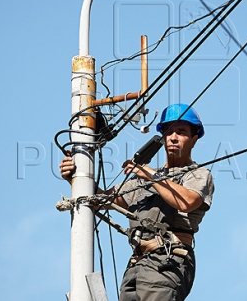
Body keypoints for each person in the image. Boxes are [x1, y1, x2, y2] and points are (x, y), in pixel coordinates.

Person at [60, 103, 214, 301]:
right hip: (136, 264)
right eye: (169, 132)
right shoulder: (142, 179)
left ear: (194, 139)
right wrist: (75, 177)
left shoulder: (198, 174)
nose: (173, 137)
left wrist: (150, 175)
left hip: (168, 260)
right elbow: (100, 200)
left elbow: (186, 202)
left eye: (181, 132)